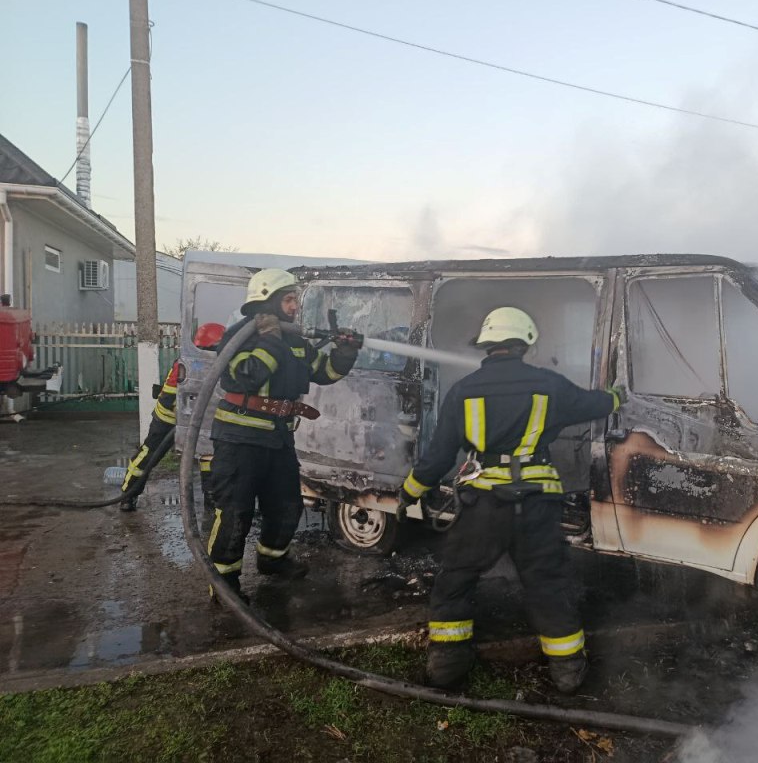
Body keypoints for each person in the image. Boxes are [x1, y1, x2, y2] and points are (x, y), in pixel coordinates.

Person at [398, 306, 626, 694]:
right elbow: (595, 405)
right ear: (525, 344)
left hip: (483, 506)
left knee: (456, 579)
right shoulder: (549, 385)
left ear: (487, 346)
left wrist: (410, 493)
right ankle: (568, 671)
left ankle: (447, 667)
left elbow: (437, 457)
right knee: (548, 584)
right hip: (538, 504)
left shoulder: (464, 391)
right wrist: (616, 397)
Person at [207, 268, 360, 600]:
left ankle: (272, 560)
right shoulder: (239, 337)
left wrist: (345, 352)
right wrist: (270, 340)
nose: (295, 307)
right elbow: (248, 375)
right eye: (289, 300)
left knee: (287, 505)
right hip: (239, 439)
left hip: (277, 438)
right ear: (269, 300)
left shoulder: (295, 341)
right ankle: (224, 583)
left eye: (295, 300)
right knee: (236, 511)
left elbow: (324, 371)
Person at [120, 322, 226, 512]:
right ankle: (128, 495)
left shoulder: (218, 365)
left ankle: (211, 497)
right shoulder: (185, 364)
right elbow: (171, 398)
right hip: (169, 419)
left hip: (200, 419)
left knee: (209, 455)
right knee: (149, 454)